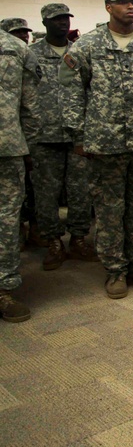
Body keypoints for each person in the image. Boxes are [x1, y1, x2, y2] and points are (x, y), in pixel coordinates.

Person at [59, 0, 133, 299]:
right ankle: (115, 270)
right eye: (123, 3)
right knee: (109, 210)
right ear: (109, 7)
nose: (131, 8)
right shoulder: (87, 46)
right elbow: (71, 93)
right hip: (105, 143)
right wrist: (78, 134)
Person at [29, 4, 96, 269]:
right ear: (45, 23)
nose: (63, 24)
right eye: (57, 20)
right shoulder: (31, 54)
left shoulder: (79, 52)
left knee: (80, 190)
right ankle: (53, 242)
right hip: (44, 136)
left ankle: (79, 239)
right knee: (47, 193)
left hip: (78, 134)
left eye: (66, 19)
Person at [0, 22, 40, 322]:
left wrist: (29, 146)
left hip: (7, 148)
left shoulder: (15, 48)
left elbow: (29, 104)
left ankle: (4, 288)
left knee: (6, 221)